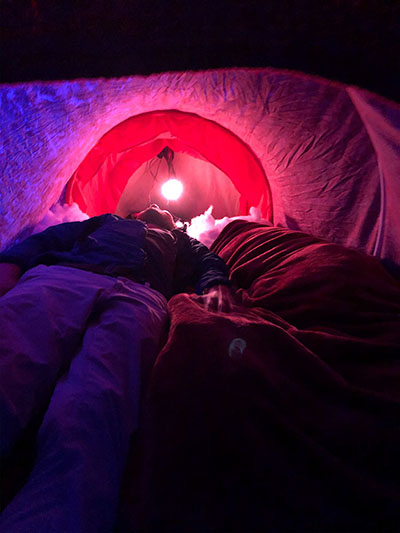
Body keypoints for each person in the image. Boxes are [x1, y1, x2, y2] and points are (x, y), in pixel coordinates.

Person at [0, 205, 232, 532]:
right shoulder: (106, 221)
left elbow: (207, 260)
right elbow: (53, 236)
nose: (158, 205)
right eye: (149, 205)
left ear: (175, 223)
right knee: (10, 359)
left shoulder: (180, 240)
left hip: (141, 295)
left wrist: (216, 284)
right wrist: (11, 263)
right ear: (134, 216)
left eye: (165, 209)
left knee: (94, 408)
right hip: (66, 275)